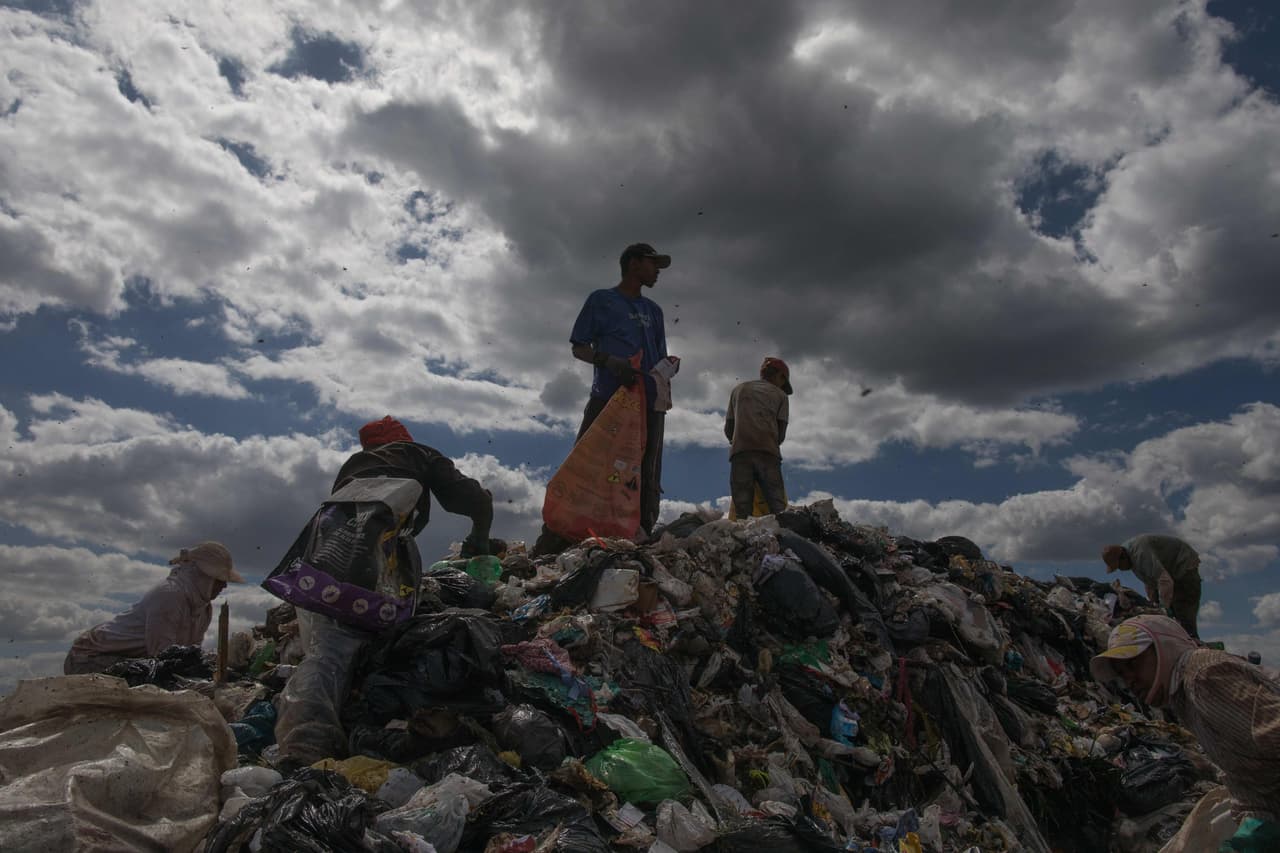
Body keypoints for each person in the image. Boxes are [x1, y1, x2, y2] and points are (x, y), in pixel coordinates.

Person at [274, 416, 494, 768]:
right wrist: (480, 538)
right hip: (373, 553)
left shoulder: (355, 467)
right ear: (404, 440)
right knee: (348, 646)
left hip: (321, 553)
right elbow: (472, 500)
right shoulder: (418, 454)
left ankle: (306, 741)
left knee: (330, 648)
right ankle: (308, 751)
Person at [1091, 615, 1280, 850]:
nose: (1128, 679)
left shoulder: (1202, 677)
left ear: (1165, 648)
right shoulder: (1185, 695)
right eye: (1121, 673)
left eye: (1134, 664)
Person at [565, 242, 675, 537]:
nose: (657, 272)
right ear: (634, 264)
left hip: (648, 402)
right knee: (587, 461)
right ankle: (567, 531)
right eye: (653, 264)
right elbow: (579, 347)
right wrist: (608, 361)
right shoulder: (602, 300)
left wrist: (668, 368)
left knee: (646, 469)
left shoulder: (654, 311)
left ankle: (640, 531)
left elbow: (661, 354)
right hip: (608, 398)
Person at [64, 541, 242, 675]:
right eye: (219, 580)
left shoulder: (203, 609)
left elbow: (188, 655)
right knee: (150, 679)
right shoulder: (170, 596)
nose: (224, 586)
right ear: (201, 575)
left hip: (132, 658)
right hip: (91, 657)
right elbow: (162, 656)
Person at [725, 357, 792, 519]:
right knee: (779, 510)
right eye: (784, 382)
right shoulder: (781, 396)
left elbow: (729, 429)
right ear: (780, 376)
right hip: (768, 454)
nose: (783, 386)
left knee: (742, 513)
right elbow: (780, 434)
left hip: (740, 453)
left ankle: (743, 543)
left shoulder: (739, 390)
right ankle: (783, 542)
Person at [1102, 534, 1203, 637]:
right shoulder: (1131, 557)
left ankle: (1193, 642)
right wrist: (1152, 604)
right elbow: (1150, 582)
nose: (1120, 569)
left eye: (1119, 566)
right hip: (1169, 572)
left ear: (1123, 558)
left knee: (1183, 612)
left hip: (1183, 564)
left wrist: (1164, 608)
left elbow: (1165, 580)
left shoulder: (1140, 554)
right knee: (1169, 613)